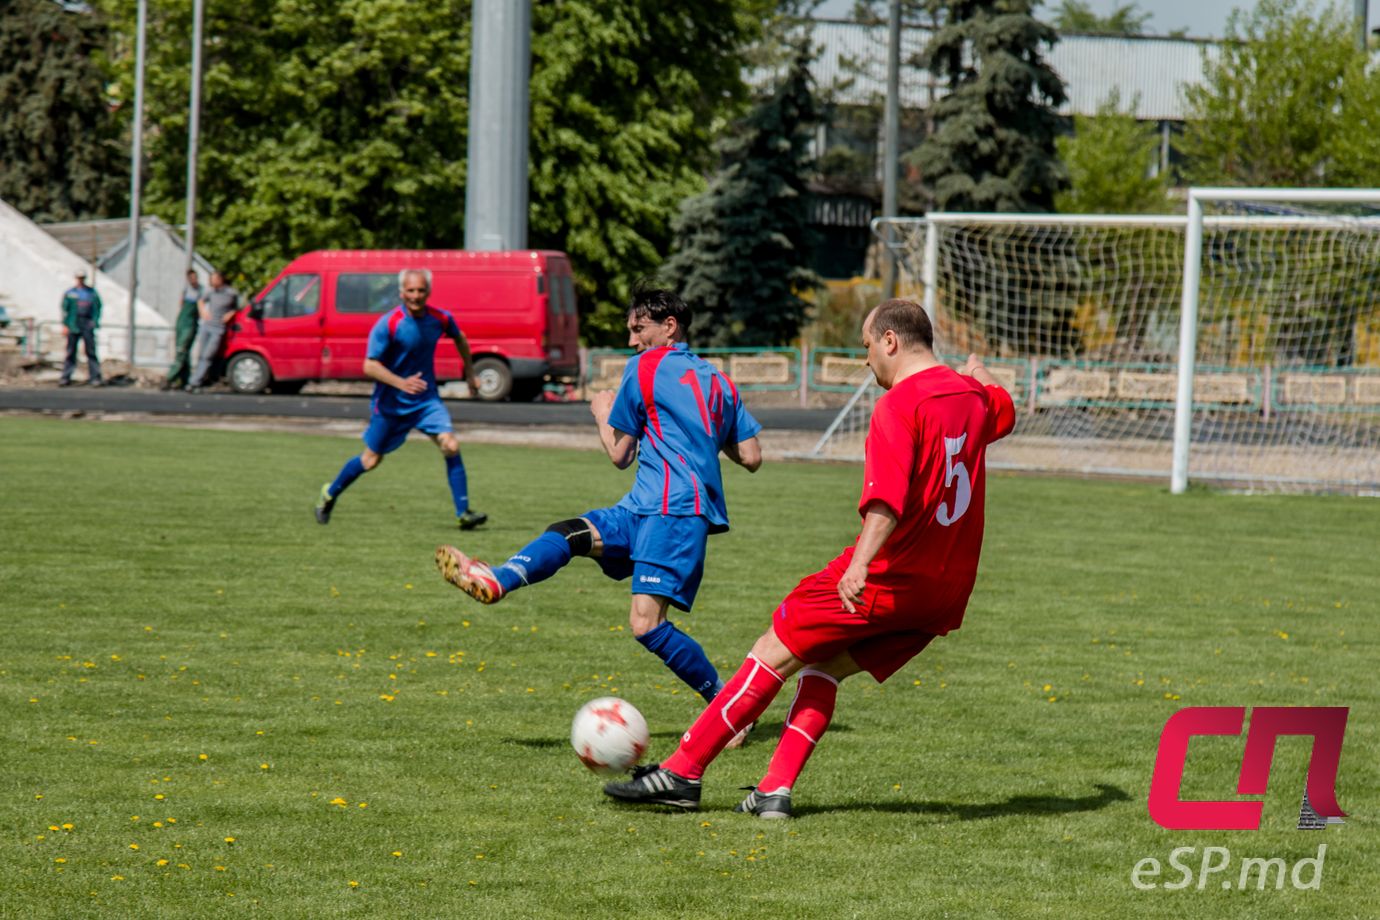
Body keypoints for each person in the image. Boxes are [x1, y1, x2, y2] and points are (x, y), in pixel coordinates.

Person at [603, 299, 1016, 816]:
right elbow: (1007, 405)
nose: (867, 362)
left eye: (867, 347)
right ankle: (774, 791)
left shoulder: (899, 405)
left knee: (771, 650)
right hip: (944, 595)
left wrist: (860, 565)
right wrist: (979, 371)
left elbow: (886, 501)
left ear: (890, 341)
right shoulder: (973, 396)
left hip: (889, 576)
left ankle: (681, 772)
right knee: (823, 667)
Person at [434, 285, 763, 710]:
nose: (631, 341)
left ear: (669, 326)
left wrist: (601, 410)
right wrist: (702, 433)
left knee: (647, 625)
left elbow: (619, 453)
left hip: (674, 510)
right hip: (643, 506)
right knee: (572, 533)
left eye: (638, 328)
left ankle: (727, 706)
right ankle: (499, 579)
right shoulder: (720, 382)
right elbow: (752, 457)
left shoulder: (642, 367)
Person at [315, 268, 487, 530]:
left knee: (450, 445)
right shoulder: (389, 323)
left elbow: (460, 339)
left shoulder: (440, 318)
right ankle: (330, 493)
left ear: (428, 291)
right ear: (401, 292)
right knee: (370, 460)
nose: (415, 296)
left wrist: (470, 374)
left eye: (420, 290)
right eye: (410, 290)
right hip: (391, 404)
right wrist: (401, 383)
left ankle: (463, 513)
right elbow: (369, 366)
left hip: (427, 401)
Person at [186, 271, 239, 391]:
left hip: (218, 328)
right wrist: (203, 312)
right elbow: (200, 300)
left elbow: (237, 307)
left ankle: (195, 381)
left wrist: (230, 314)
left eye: (214, 279)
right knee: (201, 355)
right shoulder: (210, 291)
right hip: (207, 326)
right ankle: (200, 379)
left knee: (207, 355)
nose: (212, 281)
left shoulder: (231, 293)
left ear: (221, 279)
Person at [58, 271, 102, 387]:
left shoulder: (91, 293)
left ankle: (95, 377)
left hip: (87, 323)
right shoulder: (70, 293)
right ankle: (66, 376)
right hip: (74, 323)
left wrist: (94, 321)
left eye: (82, 278)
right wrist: (65, 325)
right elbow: (64, 309)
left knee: (91, 351)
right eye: (79, 278)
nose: (80, 280)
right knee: (70, 351)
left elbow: (97, 307)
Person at [163, 269, 202, 390]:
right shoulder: (186, 290)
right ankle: (184, 379)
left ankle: (170, 377)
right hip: (182, 323)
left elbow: (200, 309)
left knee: (182, 350)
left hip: (190, 324)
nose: (193, 280)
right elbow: (181, 305)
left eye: (195, 277)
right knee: (183, 353)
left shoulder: (201, 291)